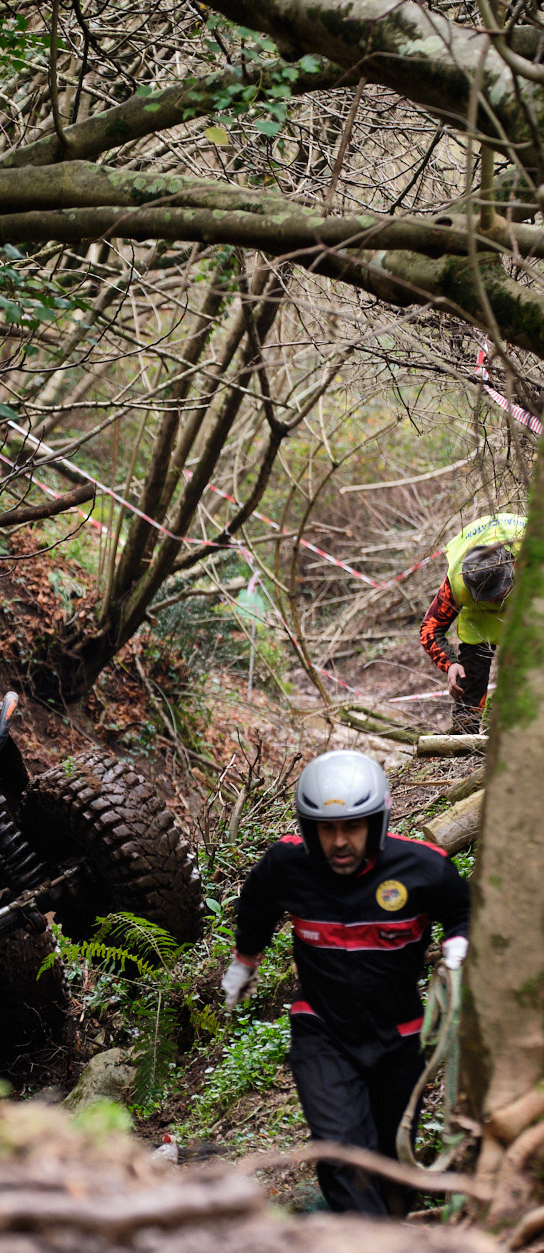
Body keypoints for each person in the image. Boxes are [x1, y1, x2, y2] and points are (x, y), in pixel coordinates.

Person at [221, 750, 470, 1216]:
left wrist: (460, 943)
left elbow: (463, 911)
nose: (340, 842)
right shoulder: (286, 865)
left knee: (390, 1162)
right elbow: (256, 904)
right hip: (323, 1032)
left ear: (376, 822)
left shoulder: (423, 867)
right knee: (340, 1153)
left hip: (400, 1036)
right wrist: (245, 961)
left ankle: (390, 1252)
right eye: (327, 828)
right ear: (308, 828)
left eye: (353, 827)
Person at [420, 512, 525, 733]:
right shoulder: (457, 583)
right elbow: (430, 627)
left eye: (498, 593)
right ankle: (464, 740)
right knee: (469, 678)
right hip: (479, 619)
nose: (495, 599)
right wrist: (450, 664)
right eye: (487, 595)